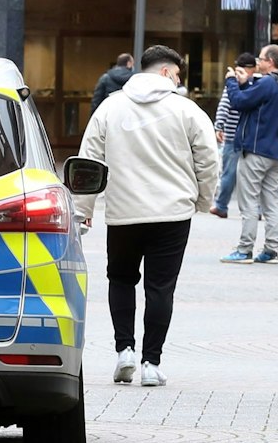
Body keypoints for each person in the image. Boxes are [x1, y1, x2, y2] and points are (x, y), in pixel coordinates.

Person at [73, 44, 218, 388]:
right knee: (160, 288)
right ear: (167, 72)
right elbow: (208, 159)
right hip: (173, 214)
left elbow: (89, 158)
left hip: (124, 213)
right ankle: (151, 362)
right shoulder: (187, 110)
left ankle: (124, 350)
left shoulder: (110, 107)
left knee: (121, 280)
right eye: (178, 74)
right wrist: (202, 200)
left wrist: (84, 209)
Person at [222, 44, 278, 265]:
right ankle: (270, 250)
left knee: (248, 202)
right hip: (276, 151)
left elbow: (240, 102)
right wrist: (246, 83)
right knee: (270, 201)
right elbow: (257, 99)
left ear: (271, 61)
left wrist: (231, 81)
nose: (258, 62)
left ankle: (245, 249)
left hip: (255, 149)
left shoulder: (267, 82)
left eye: (261, 59)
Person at [210, 52, 255, 217]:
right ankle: (255, 209)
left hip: (232, 134)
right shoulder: (257, 83)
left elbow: (224, 105)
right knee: (251, 175)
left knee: (229, 172)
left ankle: (221, 206)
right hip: (249, 136)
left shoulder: (234, 83)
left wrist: (219, 126)